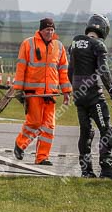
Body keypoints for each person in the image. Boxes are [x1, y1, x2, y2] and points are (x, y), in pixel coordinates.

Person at [68, 14, 112, 180]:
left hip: (78, 95)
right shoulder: (98, 45)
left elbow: (70, 70)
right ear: (104, 29)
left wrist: (75, 88)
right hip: (93, 97)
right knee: (108, 132)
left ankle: (86, 171)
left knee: (86, 132)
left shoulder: (74, 44)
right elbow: (103, 70)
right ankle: (106, 169)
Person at [12, 18, 72, 165]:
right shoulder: (28, 44)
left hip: (50, 94)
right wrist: (18, 90)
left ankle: (42, 157)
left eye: (52, 30)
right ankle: (20, 144)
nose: (49, 32)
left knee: (49, 127)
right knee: (34, 122)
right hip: (33, 92)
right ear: (40, 30)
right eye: (47, 30)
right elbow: (21, 67)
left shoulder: (59, 46)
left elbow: (63, 71)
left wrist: (66, 91)